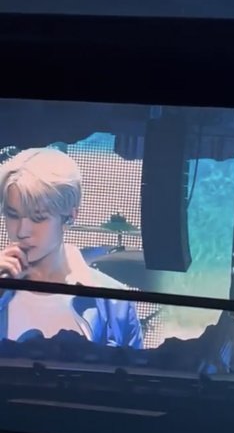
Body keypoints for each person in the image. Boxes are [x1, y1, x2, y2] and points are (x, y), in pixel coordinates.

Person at [0, 148, 142, 347]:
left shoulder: (115, 303)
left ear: (70, 217)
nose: (22, 231)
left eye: (38, 218)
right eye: (13, 215)